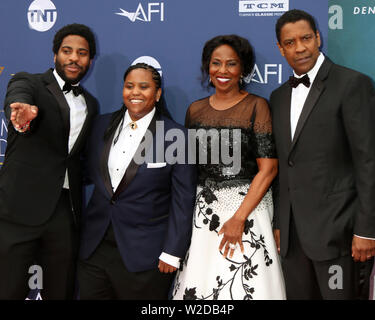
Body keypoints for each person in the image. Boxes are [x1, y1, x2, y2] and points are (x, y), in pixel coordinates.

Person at [270, 9, 375, 299]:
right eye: (290, 42)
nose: (299, 47)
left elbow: (368, 161)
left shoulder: (352, 84)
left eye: (305, 38)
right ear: (280, 48)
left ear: (318, 38)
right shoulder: (278, 98)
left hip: (339, 235)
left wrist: (367, 230)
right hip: (293, 240)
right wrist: (281, 223)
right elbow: (284, 166)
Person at [172, 35, 286, 300]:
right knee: (202, 281)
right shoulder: (194, 110)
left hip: (248, 210)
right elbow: (189, 170)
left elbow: (268, 169)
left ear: (243, 70)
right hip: (203, 214)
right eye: (216, 63)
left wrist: (238, 218)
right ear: (207, 67)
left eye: (231, 64)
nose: (222, 71)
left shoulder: (257, 106)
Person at [78, 63, 197, 300]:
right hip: (95, 249)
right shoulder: (100, 124)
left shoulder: (177, 136)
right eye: (129, 86)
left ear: (158, 93)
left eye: (144, 87)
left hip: (145, 255)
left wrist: (172, 252)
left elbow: (183, 200)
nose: (135, 92)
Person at [0, 23, 98, 299]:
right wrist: (22, 110)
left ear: (90, 60)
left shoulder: (90, 104)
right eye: (67, 51)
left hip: (64, 213)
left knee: (62, 291)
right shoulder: (29, 82)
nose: (74, 58)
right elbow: (17, 96)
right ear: (54, 55)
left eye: (82, 53)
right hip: (18, 208)